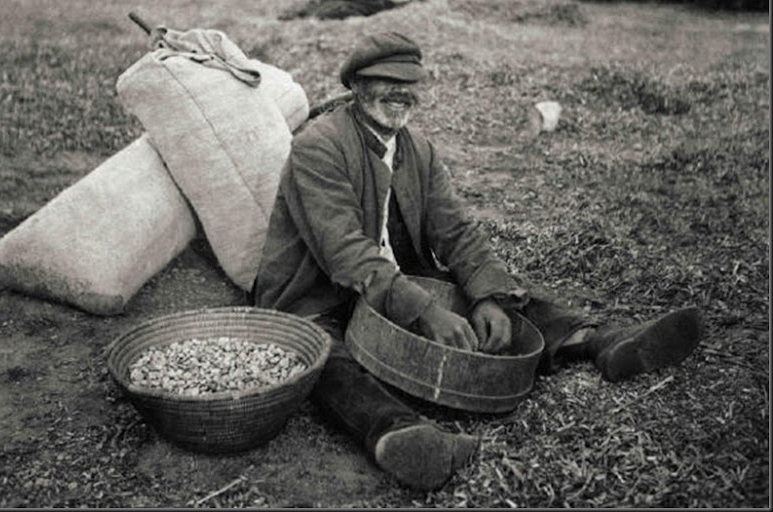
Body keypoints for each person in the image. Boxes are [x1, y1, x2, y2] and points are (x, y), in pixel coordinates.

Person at [253, 31, 703, 491]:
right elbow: (345, 252)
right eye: (386, 81)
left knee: (490, 297)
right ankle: (397, 432)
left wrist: (487, 296)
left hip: (398, 278)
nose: (401, 93)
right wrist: (424, 310)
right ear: (356, 85)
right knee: (323, 356)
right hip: (320, 293)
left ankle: (595, 340)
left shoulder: (418, 149)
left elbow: (456, 232)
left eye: (410, 83)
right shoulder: (319, 146)